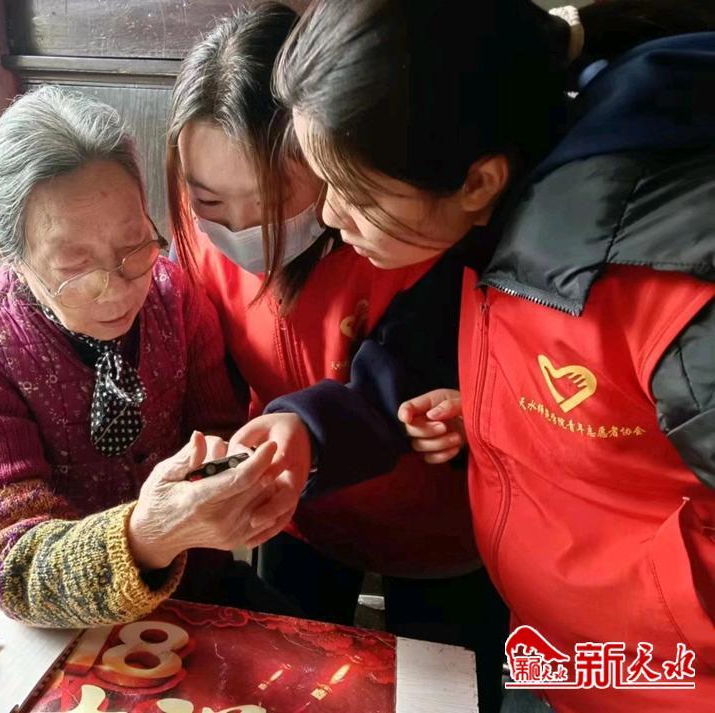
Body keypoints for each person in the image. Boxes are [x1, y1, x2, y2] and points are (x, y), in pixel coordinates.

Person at [234, 1, 715, 711]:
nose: (331, 215)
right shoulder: (500, 220)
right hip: (561, 656)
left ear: (479, 181)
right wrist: (314, 430)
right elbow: (422, 351)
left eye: (357, 193)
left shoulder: (665, 275)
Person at [166, 1, 488, 635]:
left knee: (439, 675)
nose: (242, 228)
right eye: (211, 201)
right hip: (293, 514)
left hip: (433, 528)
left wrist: (307, 431)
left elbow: (392, 384)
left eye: (273, 199)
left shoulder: (401, 239)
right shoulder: (191, 231)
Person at [0, 86, 287, 628]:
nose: (118, 291)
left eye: (133, 245)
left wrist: (245, 473)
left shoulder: (173, 296)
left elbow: (219, 430)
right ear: (15, 259)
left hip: (201, 597)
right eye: (75, 268)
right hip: (68, 631)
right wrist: (146, 535)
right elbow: (10, 565)